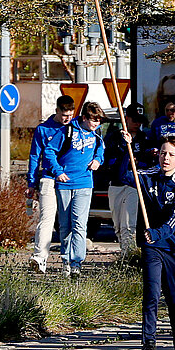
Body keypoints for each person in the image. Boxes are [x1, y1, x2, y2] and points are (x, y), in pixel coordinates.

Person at [136, 137, 175, 350]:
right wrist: (127, 146)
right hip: (152, 246)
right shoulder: (148, 176)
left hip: (174, 245)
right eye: (162, 153)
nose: (165, 158)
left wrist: (158, 232)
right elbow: (124, 173)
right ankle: (149, 343)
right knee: (151, 293)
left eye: (170, 154)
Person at [52, 101, 105, 279]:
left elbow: (101, 150)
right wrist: (58, 172)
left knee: (80, 224)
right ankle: (65, 261)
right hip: (65, 183)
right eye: (94, 120)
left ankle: (77, 262)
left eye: (99, 120)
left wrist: (98, 160)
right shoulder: (67, 130)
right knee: (65, 225)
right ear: (84, 118)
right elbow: (50, 151)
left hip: (84, 183)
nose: (97, 124)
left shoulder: (96, 133)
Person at [25, 95, 77, 273]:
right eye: (64, 115)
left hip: (70, 179)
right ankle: (40, 258)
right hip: (48, 177)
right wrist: (31, 183)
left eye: (70, 115)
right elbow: (34, 156)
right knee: (46, 218)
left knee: (67, 221)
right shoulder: (43, 129)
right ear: (57, 111)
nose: (67, 119)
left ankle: (68, 261)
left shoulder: (75, 127)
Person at [101, 105, 150, 263]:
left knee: (129, 225)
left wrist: (138, 160)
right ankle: (125, 254)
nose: (137, 124)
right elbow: (109, 161)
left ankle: (129, 257)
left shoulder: (144, 138)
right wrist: (124, 151)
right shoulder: (114, 137)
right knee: (118, 226)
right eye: (134, 120)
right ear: (126, 119)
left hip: (133, 185)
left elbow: (147, 163)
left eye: (140, 121)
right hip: (116, 184)